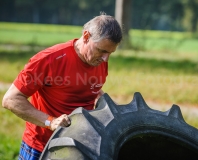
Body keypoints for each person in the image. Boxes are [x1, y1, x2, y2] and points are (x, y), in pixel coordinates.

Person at [2, 12, 122, 160]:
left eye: (110, 53)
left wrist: (108, 105)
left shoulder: (98, 61)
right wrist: (50, 122)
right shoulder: (50, 60)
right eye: (102, 51)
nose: (106, 58)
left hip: (81, 146)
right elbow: (11, 99)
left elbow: (90, 89)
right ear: (86, 37)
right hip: (42, 147)